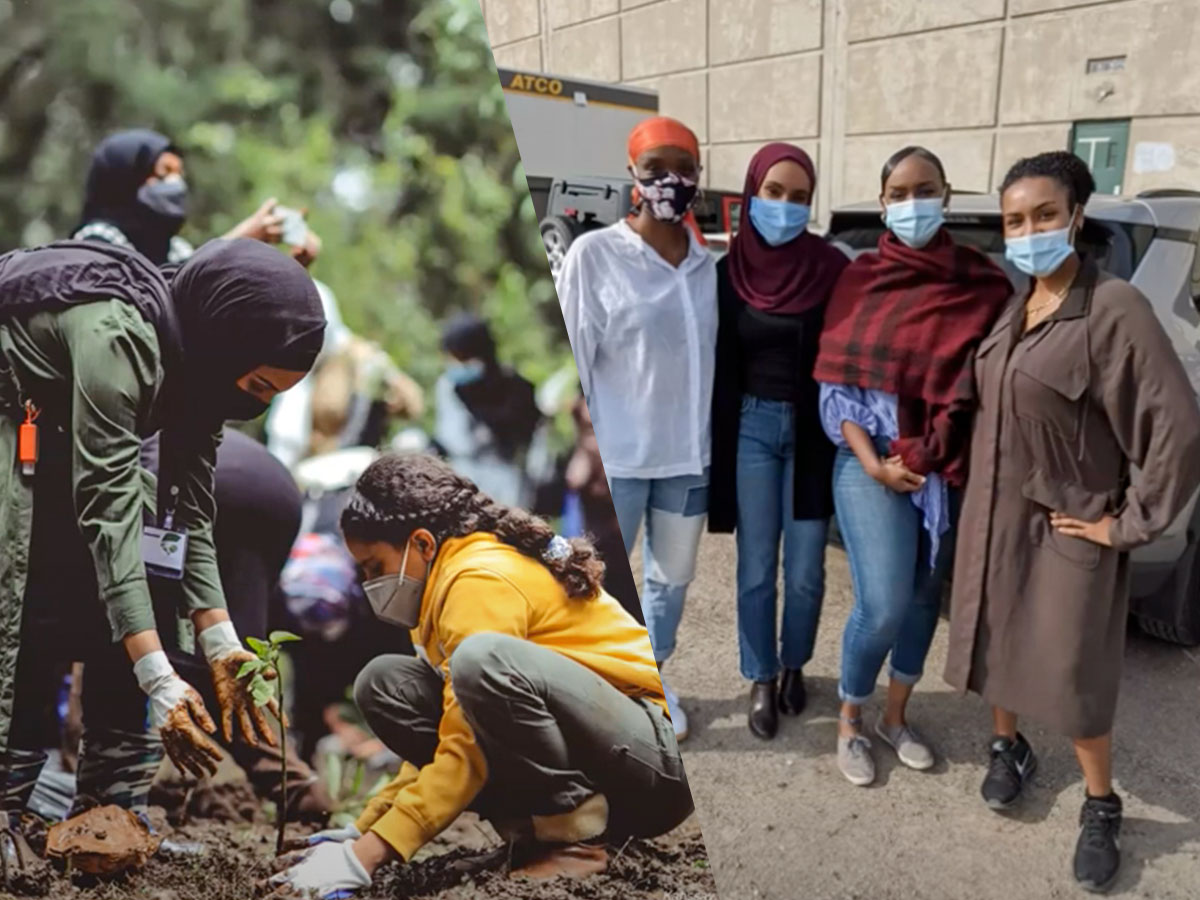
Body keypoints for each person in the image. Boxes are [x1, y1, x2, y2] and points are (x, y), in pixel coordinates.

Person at [0, 238, 325, 835]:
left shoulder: (196, 366)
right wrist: (159, 676)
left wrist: (223, 642)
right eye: (257, 387)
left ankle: (110, 807)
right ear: (227, 343)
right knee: (22, 591)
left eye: (273, 396)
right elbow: (110, 504)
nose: (255, 406)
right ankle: (7, 806)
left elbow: (192, 512)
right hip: (16, 429)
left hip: (57, 438)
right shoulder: (117, 337)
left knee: (148, 563)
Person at [944, 150, 1200, 892]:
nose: (1029, 230)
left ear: (1075, 216)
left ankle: (1100, 801)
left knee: (1074, 670)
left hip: (1067, 525)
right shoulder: (1018, 301)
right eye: (1015, 219)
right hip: (994, 517)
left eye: (1044, 215)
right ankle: (1009, 749)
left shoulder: (1114, 305)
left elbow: (1177, 426)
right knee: (996, 642)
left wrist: (1128, 524)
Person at [268, 453, 692, 898]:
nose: (369, 582)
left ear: (422, 544)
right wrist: (363, 830)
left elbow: (463, 747)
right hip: (606, 758)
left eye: (375, 566)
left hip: (654, 770)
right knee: (386, 685)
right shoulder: (436, 590)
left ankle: (576, 843)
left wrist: (367, 857)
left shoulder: (478, 580)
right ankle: (534, 838)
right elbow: (445, 740)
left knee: (480, 661)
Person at [812, 147, 1011, 786]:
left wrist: (942, 449)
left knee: (927, 597)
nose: (912, 202)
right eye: (899, 191)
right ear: (883, 201)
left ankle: (896, 718)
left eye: (925, 189)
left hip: (943, 465)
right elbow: (835, 393)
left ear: (946, 194)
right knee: (885, 601)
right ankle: (850, 718)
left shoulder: (981, 284)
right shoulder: (860, 279)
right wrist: (876, 465)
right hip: (867, 460)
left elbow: (989, 383)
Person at [556, 116, 717, 741]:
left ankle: (653, 680)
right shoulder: (595, 255)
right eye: (655, 171)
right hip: (619, 460)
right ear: (633, 178)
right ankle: (596, 698)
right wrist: (586, 445)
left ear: (698, 179)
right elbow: (579, 363)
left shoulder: (706, 266)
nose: (670, 182)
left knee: (671, 583)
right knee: (599, 585)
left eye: (683, 170)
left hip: (686, 460)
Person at [708, 143, 848, 740]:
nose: (786, 207)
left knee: (809, 568)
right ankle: (760, 675)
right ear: (751, 194)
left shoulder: (832, 268)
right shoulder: (727, 272)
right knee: (758, 565)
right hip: (752, 430)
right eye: (774, 193)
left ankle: (796, 664)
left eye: (799, 198)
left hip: (814, 431)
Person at [73, 128, 321, 268]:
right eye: (164, 172)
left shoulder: (175, 251)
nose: (176, 184)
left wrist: (288, 269)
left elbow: (205, 299)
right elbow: (149, 296)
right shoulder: (96, 240)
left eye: (180, 174)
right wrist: (236, 242)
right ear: (125, 178)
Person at [432, 313, 542, 509]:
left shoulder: (516, 390)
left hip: (508, 488)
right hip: (463, 484)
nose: (458, 364)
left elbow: (529, 443)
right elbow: (449, 439)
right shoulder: (450, 388)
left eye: (463, 357)